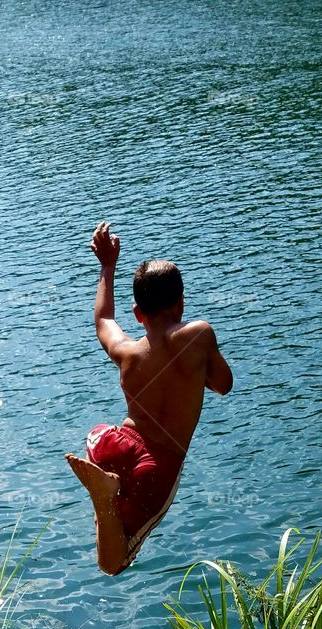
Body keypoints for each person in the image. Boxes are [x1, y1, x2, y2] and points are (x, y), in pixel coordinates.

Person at [66, 222, 233, 575]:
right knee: (114, 563)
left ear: (138, 314)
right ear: (181, 303)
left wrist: (107, 266)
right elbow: (223, 384)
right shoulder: (198, 335)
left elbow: (103, 318)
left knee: (110, 530)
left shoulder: (126, 352)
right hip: (156, 465)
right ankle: (104, 498)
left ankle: (104, 494)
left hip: (113, 442)